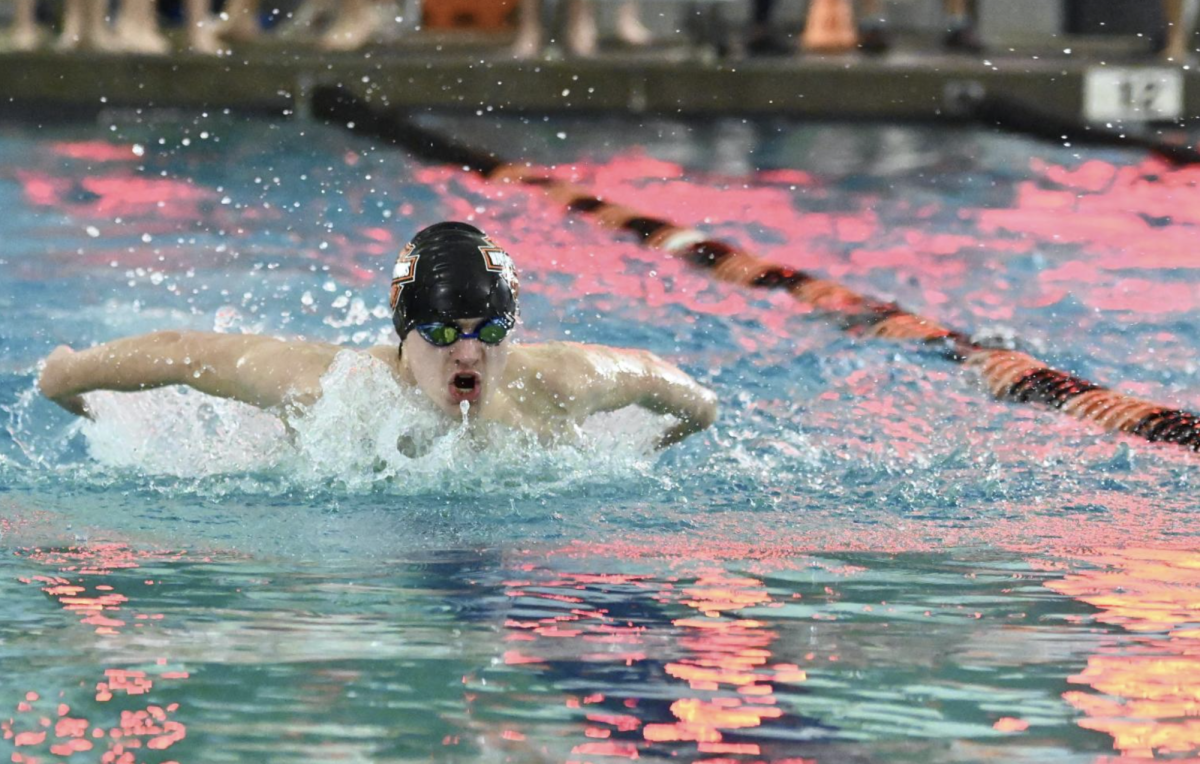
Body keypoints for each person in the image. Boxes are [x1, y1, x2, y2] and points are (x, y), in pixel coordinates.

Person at [38, 222, 718, 450]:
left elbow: (679, 391)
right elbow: (184, 353)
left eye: (491, 330)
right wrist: (66, 380)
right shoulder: (332, 391)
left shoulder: (559, 385)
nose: (471, 351)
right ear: (403, 334)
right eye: (445, 330)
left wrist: (651, 446)